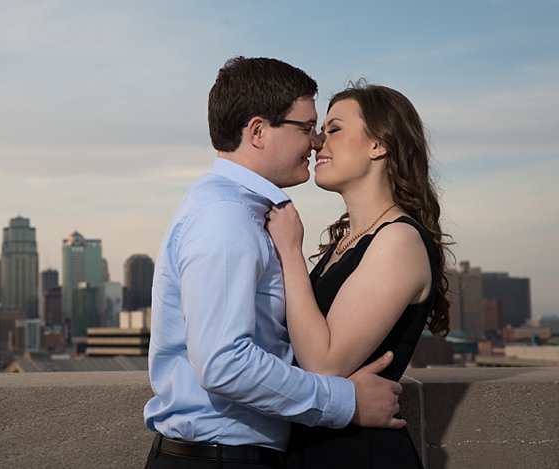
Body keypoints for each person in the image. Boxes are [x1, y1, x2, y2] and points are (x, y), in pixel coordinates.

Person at [144, 58, 405, 469]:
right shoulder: (226, 216)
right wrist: (346, 402)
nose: (316, 142)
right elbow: (223, 363)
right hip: (221, 460)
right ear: (259, 131)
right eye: (306, 127)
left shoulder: (240, 211)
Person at [265, 82, 451, 468]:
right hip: (318, 445)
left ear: (378, 145)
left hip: (358, 453)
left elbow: (324, 363)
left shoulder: (398, 239)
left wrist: (289, 251)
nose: (317, 143)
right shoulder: (347, 242)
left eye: (334, 129)